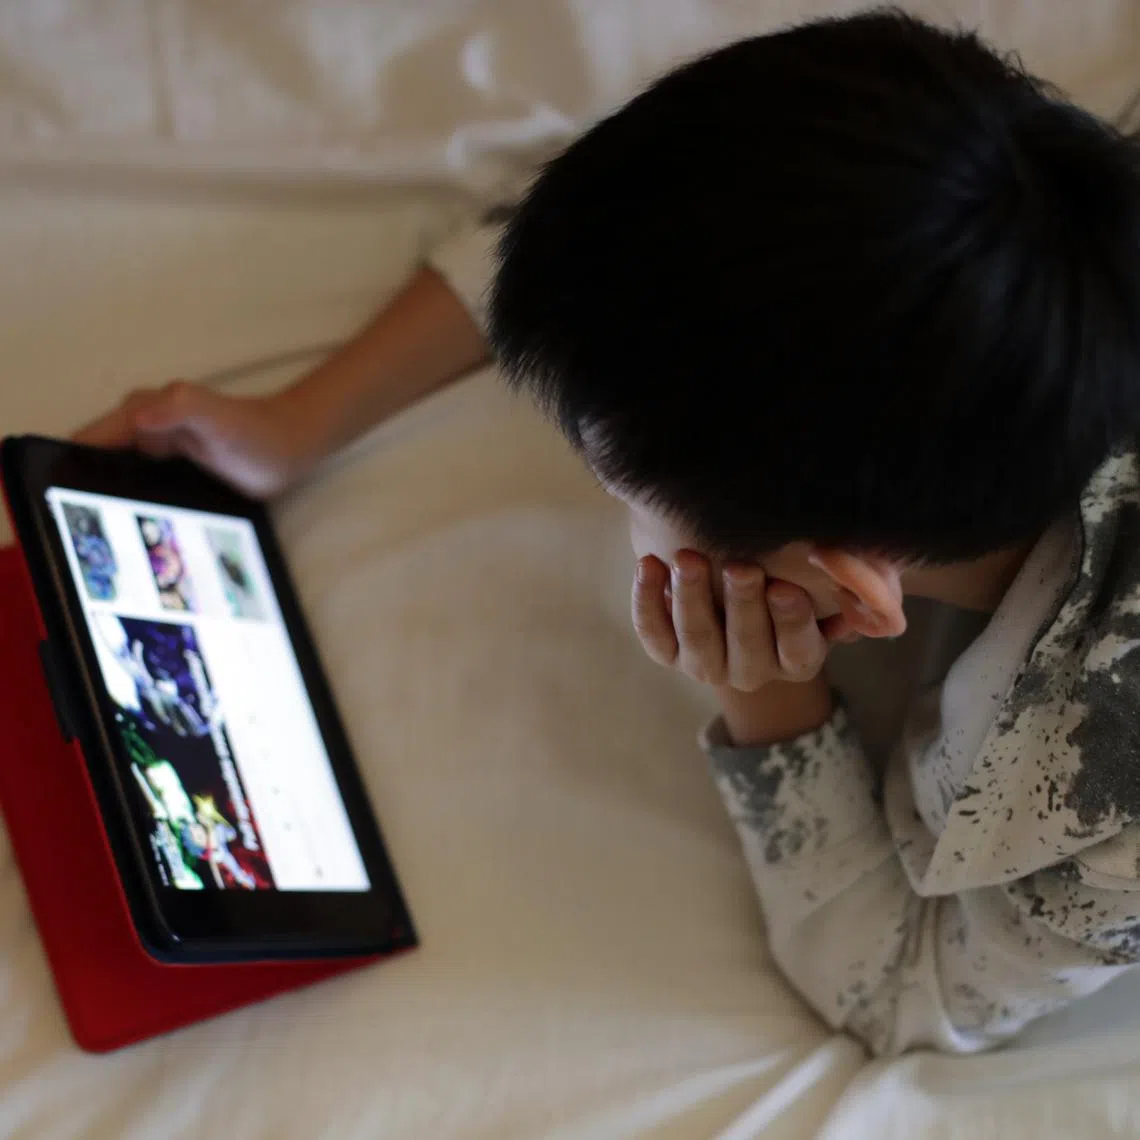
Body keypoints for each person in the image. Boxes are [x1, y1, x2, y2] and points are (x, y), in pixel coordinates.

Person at [77, 11, 1140, 1055]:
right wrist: (300, 421)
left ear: (847, 591)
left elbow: (908, 988)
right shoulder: (1008, 195)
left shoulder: (1101, 810)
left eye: (621, 485)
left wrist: (764, 693)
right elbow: (647, 232)